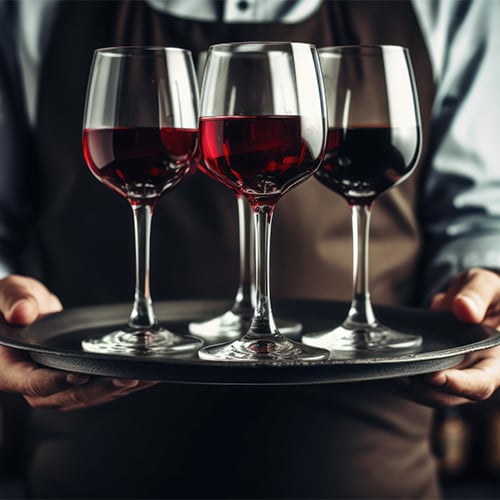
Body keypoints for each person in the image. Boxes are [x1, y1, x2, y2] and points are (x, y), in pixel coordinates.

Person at [0, 0, 500, 498]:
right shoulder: (25, 10)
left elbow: (478, 213)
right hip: (95, 468)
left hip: (373, 466)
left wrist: (484, 283)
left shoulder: (456, 7)